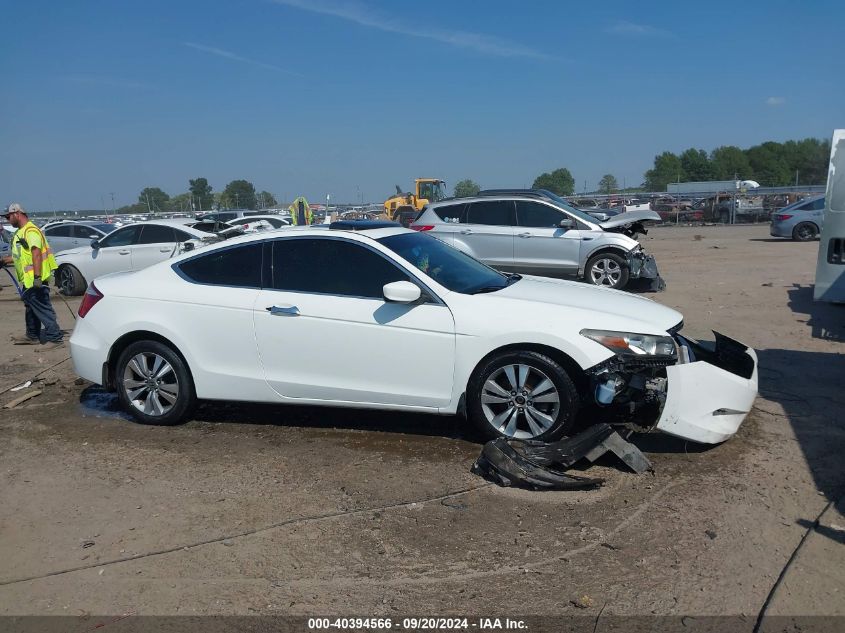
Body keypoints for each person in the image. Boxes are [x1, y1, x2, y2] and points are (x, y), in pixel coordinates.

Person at [1, 203, 63, 348]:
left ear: (17, 214)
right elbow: (22, 256)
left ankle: (55, 338)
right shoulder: (20, 232)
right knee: (31, 307)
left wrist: (37, 277)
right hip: (28, 281)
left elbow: (36, 254)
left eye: (8, 216)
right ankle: (32, 335)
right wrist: (4, 260)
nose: (7, 220)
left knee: (42, 307)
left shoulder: (31, 231)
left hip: (36, 280)